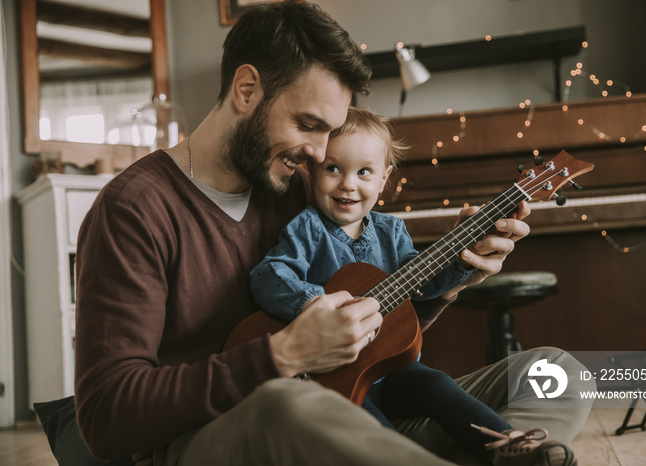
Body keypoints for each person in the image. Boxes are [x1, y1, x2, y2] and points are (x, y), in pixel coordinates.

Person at [73, 1, 592, 466]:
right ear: (247, 89)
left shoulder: (301, 188)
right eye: (308, 124)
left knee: (557, 372)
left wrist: (452, 277)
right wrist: (283, 356)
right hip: (229, 435)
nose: (322, 156)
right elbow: (103, 418)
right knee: (287, 403)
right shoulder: (134, 209)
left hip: (349, 416)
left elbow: (366, 342)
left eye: (330, 132)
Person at [248, 107, 575, 466]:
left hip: (391, 369)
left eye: (364, 172)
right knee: (366, 427)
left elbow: (424, 284)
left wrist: (464, 260)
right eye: (333, 169)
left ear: (385, 178)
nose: (348, 183)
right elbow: (268, 277)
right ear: (311, 173)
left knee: (435, 384)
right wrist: (316, 304)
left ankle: (512, 447)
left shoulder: (392, 231)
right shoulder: (307, 228)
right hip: (329, 377)